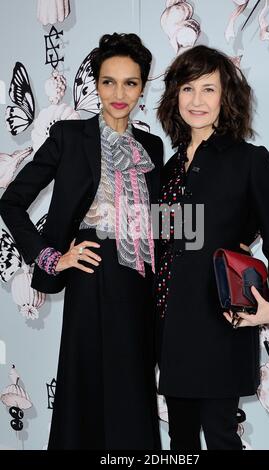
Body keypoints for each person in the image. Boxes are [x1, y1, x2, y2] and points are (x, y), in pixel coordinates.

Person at [0, 33, 163, 450]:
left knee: (134, 387)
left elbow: (159, 222)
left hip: (139, 281)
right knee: (86, 389)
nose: (119, 93)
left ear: (143, 86)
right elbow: (12, 202)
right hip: (91, 274)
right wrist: (53, 257)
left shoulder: (152, 146)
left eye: (130, 82)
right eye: (109, 82)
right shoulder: (69, 137)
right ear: (96, 84)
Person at [156, 45, 269, 450]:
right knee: (180, 439)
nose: (196, 100)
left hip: (221, 321)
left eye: (208, 89)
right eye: (187, 89)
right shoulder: (167, 170)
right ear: (174, 97)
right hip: (171, 325)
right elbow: (176, 243)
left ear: (225, 96)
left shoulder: (247, 159)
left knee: (219, 435)